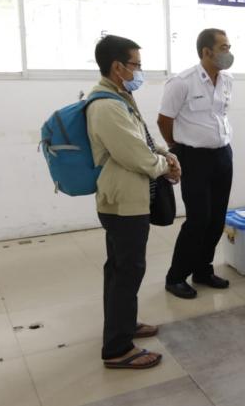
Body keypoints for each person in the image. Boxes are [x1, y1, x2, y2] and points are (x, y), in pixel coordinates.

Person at [86, 35, 181, 369]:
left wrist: (166, 155)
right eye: (136, 65)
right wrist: (164, 166)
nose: (140, 71)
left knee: (120, 268)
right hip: (122, 202)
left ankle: (123, 326)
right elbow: (135, 157)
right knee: (127, 271)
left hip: (129, 198)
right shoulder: (106, 106)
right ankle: (117, 349)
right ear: (118, 67)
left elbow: (144, 142)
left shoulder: (119, 96)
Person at [158, 28, 235, 299]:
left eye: (228, 46)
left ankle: (203, 270)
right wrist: (175, 148)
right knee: (198, 219)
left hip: (223, 154)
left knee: (217, 219)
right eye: (223, 47)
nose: (229, 51)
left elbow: (220, 116)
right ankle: (176, 276)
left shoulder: (227, 79)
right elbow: (164, 120)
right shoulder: (182, 82)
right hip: (194, 157)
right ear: (206, 52)